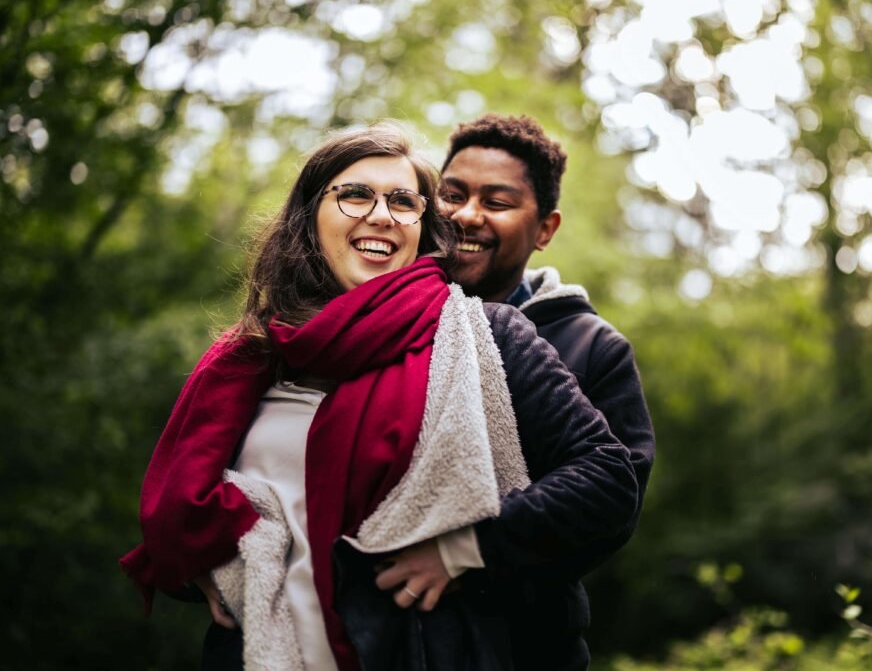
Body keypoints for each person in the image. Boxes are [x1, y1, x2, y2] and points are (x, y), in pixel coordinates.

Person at [119, 123, 638, 670]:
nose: (381, 214)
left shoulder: (486, 333)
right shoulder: (253, 357)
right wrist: (213, 558)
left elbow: (607, 478)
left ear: (421, 226)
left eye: (403, 202)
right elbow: (183, 507)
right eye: (355, 195)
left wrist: (461, 548)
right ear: (309, 215)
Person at [439, 114, 656, 669]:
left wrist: (464, 548)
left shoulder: (590, 347)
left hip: (525, 646)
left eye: (497, 202)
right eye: (452, 194)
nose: (467, 215)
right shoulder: (377, 317)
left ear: (545, 229)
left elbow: (609, 506)